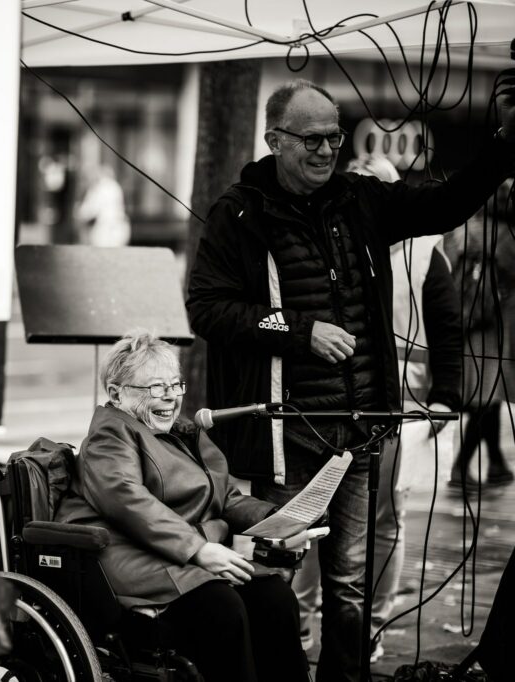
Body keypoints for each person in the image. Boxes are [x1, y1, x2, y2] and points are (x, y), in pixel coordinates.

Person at [186, 79, 515, 682]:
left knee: (350, 585)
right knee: (275, 577)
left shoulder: (359, 200)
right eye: (311, 139)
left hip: (360, 431)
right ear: (275, 140)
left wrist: (504, 144)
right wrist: (295, 328)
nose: (326, 149)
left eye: (334, 136)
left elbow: (444, 206)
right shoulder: (238, 213)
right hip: (287, 435)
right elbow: (208, 308)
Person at [54, 330, 310, 682]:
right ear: (116, 393)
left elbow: (223, 496)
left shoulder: (182, 431)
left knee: (273, 595)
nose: (171, 398)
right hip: (133, 554)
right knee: (222, 606)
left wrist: (281, 521)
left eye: (175, 386)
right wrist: (198, 550)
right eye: (156, 388)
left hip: (180, 553)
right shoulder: (110, 434)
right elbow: (128, 500)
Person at [290, 155, 464, 660]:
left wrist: (444, 397)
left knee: (385, 517)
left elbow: (447, 330)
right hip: (330, 402)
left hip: (402, 404)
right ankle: (300, 630)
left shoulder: (426, 253)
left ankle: (371, 625)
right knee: (310, 512)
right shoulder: (326, 239)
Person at [444, 203, 515, 489]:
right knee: (485, 396)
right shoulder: (502, 234)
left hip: (468, 322)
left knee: (489, 395)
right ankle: (461, 465)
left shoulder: (463, 229)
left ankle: (496, 462)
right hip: (488, 324)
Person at [75, 164, 131, 247]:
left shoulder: (100, 187)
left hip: (104, 231)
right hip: (119, 229)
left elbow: (89, 210)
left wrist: (78, 213)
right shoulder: (115, 186)